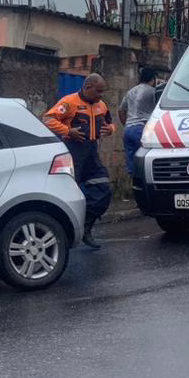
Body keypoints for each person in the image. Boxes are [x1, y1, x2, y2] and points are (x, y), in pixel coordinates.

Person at [43, 74, 114, 249]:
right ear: (88, 86)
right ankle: (60, 236)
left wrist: (110, 129)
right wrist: (67, 131)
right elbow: (48, 119)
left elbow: (110, 123)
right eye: (98, 91)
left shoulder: (101, 105)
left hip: (91, 154)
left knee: (104, 189)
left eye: (103, 92)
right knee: (67, 196)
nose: (100, 96)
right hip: (72, 153)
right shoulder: (69, 102)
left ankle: (86, 227)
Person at [118, 66, 159, 176]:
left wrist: (127, 124)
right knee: (144, 163)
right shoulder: (153, 92)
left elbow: (121, 111)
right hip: (141, 129)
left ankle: (133, 188)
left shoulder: (131, 91)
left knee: (132, 167)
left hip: (128, 130)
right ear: (153, 78)